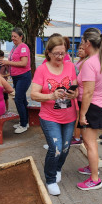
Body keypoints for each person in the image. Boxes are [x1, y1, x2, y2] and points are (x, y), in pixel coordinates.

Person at [30, 36, 78, 195]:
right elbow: (34, 95)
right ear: (48, 53)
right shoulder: (42, 70)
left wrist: (73, 94)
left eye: (63, 53)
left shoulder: (70, 66)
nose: (60, 57)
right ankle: (50, 179)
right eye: (56, 53)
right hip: (49, 117)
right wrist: (51, 96)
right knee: (56, 148)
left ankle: (57, 168)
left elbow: (76, 88)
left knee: (65, 148)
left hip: (69, 116)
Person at [77, 28, 102, 191]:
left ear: (88, 43)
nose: (82, 45)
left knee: (89, 143)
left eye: (83, 42)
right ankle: (92, 168)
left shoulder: (90, 63)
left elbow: (89, 92)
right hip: (99, 105)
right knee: (91, 142)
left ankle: (95, 179)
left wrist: (82, 114)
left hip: (92, 107)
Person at [0, 27, 31, 134]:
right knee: (22, 100)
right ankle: (25, 121)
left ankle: (23, 125)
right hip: (16, 77)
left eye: (15, 36)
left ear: (21, 37)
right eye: (12, 36)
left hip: (23, 77)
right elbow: (13, 61)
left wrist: (8, 63)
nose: (13, 38)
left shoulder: (23, 47)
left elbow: (23, 63)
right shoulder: (14, 47)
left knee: (18, 99)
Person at [71, 44, 88, 146]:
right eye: (79, 48)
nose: (80, 50)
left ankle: (77, 137)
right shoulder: (79, 60)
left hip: (80, 91)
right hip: (78, 90)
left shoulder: (85, 62)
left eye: (83, 49)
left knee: (78, 115)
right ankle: (78, 135)